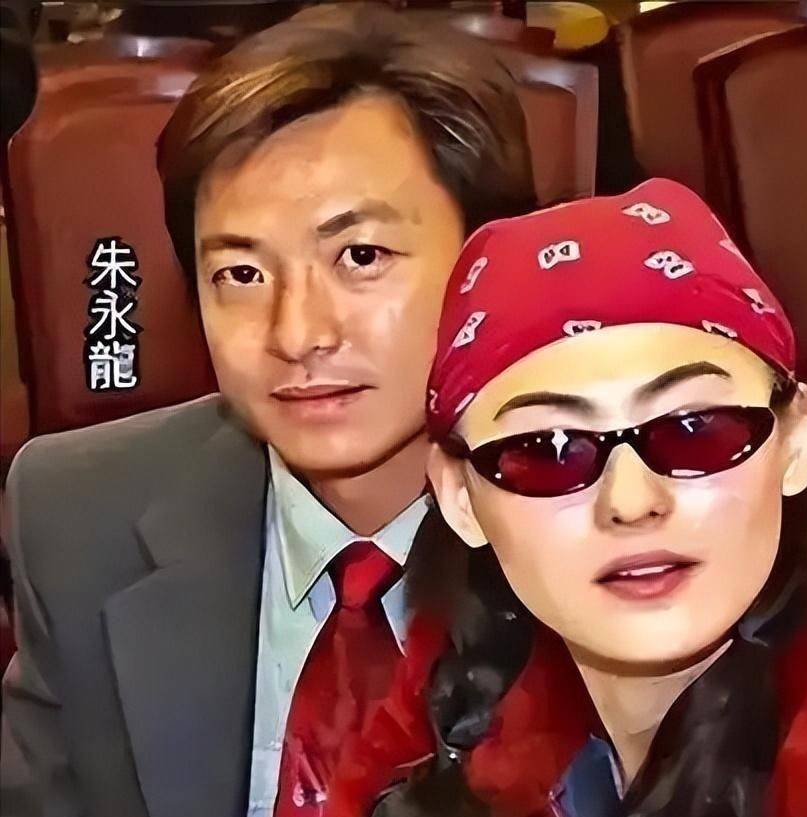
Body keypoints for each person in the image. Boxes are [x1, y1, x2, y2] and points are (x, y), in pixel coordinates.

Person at [366, 179, 807, 817]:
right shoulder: (467, 644)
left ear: (795, 442)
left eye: (695, 429)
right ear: (459, 496)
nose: (632, 500)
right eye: (548, 450)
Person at [0, 6, 535, 816]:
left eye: (360, 256)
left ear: (487, 258)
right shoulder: (80, 515)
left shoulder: (616, 506)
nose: (297, 334)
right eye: (242, 275)